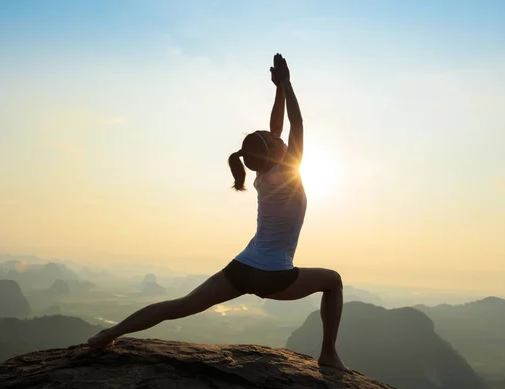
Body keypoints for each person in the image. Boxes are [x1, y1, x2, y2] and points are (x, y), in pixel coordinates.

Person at [88, 54, 347, 371]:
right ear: (275, 151)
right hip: (274, 275)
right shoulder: (288, 173)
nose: (274, 134)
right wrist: (289, 84)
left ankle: (110, 333)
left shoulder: (264, 176)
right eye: (270, 138)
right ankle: (329, 354)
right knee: (333, 281)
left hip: (242, 267)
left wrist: (278, 89)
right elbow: (296, 124)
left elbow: (278, 128)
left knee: (181, 306)